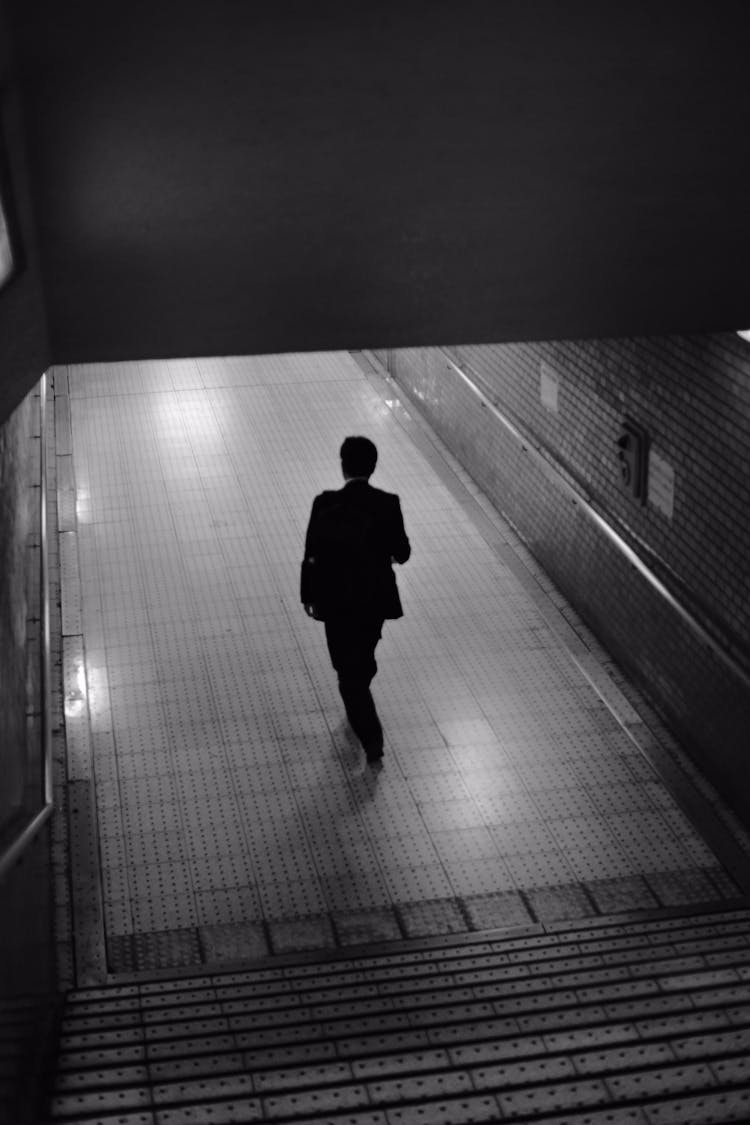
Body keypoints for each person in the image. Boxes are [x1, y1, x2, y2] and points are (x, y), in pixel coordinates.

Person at [301, 436, 411, 764]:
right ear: (373, 467)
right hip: (374, 600)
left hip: (334, 601)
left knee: (347, 674)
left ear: (342, 465)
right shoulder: (389, 503)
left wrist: (308, 595)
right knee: (362, 657)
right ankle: (361, 681)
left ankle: (372, 739)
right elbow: (402, 554)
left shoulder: (324, 503)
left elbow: (311, 554)